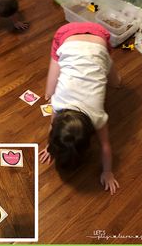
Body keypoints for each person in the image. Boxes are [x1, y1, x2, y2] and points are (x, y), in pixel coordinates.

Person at [39, 22, 121, 195]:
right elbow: (104, 146)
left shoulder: (97, 117)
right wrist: (49, 146)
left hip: (97, 41)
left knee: (116, 83)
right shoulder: (58, 102)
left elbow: (106, 146)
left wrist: (108, 171)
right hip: (73, 38)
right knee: (50, 90)